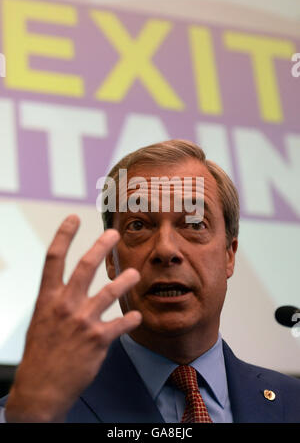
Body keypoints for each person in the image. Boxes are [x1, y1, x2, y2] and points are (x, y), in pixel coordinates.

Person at [1, 139, 300, 423]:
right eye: (138, 225)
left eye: (195, 223)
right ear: (111, 259)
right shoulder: (40, 408)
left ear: (229, 255)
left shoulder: (292, 403)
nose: (166, 249)